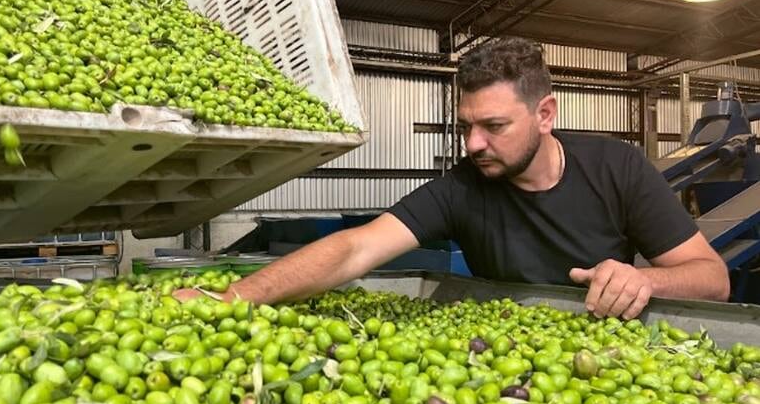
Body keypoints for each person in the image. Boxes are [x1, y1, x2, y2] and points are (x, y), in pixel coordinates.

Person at [175, 36, 730, 319]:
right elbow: (353, 250)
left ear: (545, 114)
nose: (473, 145)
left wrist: (647, 281)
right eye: (466, 126)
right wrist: (232, 297)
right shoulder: (464, 187)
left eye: (493, 126)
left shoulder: (618, 168)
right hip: (501, 349)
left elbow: (713, 278)